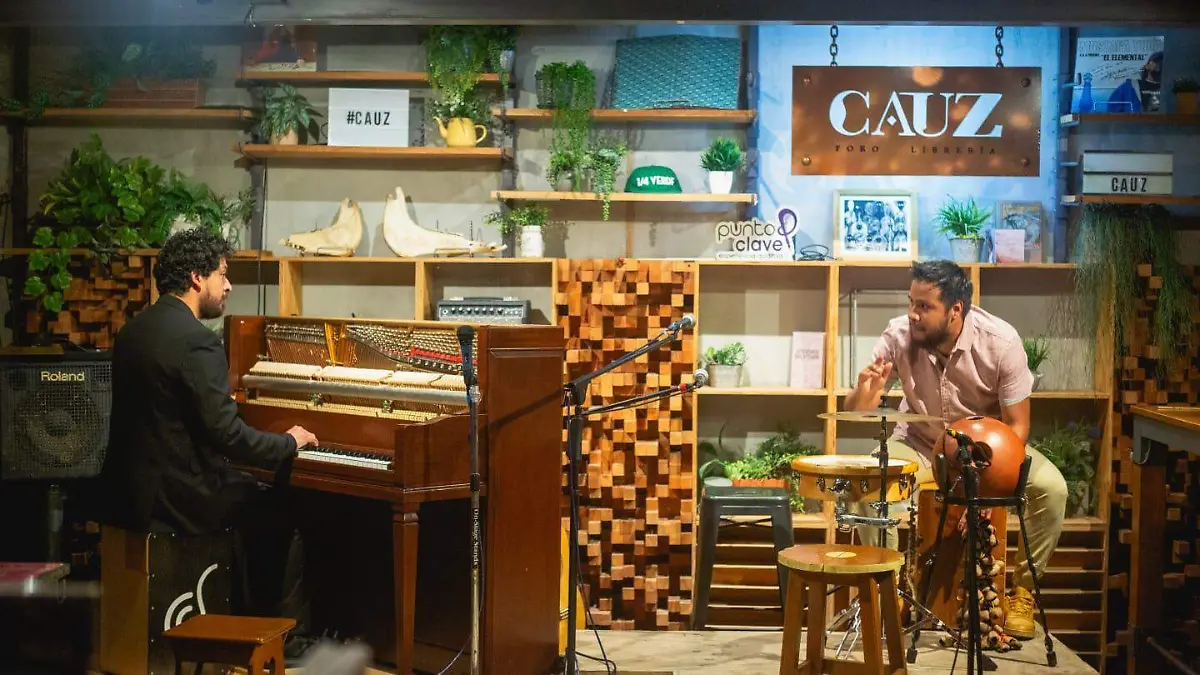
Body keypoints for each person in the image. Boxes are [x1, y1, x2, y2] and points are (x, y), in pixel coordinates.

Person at [98, 227, 320, 659]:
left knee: (248, 494)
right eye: (222, 274)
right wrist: (287, 444)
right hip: (179, 497)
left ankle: (246, 621)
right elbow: (228, 435)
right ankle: (287, 639)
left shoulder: (134, 331)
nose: (229, 285)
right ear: (198, 278)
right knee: (284, 511)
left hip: (130, 490)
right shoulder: (198, 340)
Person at [843, 259, 1067, 640]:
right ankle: (893, 587)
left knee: (1052, 489)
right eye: (911, 303)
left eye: (924, 307)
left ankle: (1023, 591)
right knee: (867, 485)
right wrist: (865, 393)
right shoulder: (898, 334)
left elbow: (1019, 427)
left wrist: (978, 487)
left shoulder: (1001, 342)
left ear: (955, 310)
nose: (913, 315)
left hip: (988, 451)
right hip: (919, 442)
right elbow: (853, 410)